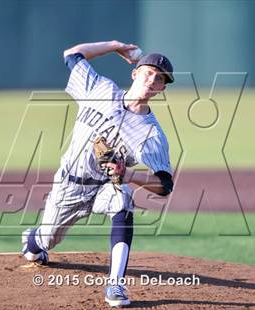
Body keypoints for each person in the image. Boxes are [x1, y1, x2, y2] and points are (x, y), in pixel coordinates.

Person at [21, 40, 174, 307]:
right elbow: (71, 54)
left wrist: (128, 176)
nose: (152, 79)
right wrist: (115, 46)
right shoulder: (100, 89)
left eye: (159, 78)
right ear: (135, 72)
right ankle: (33, 240)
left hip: (106, 185)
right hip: (69, 184)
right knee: (44, 243)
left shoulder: (152, 134)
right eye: (148, 72)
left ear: (161, 88)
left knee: (123, 199)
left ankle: (116, 285)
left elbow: (165, 184)